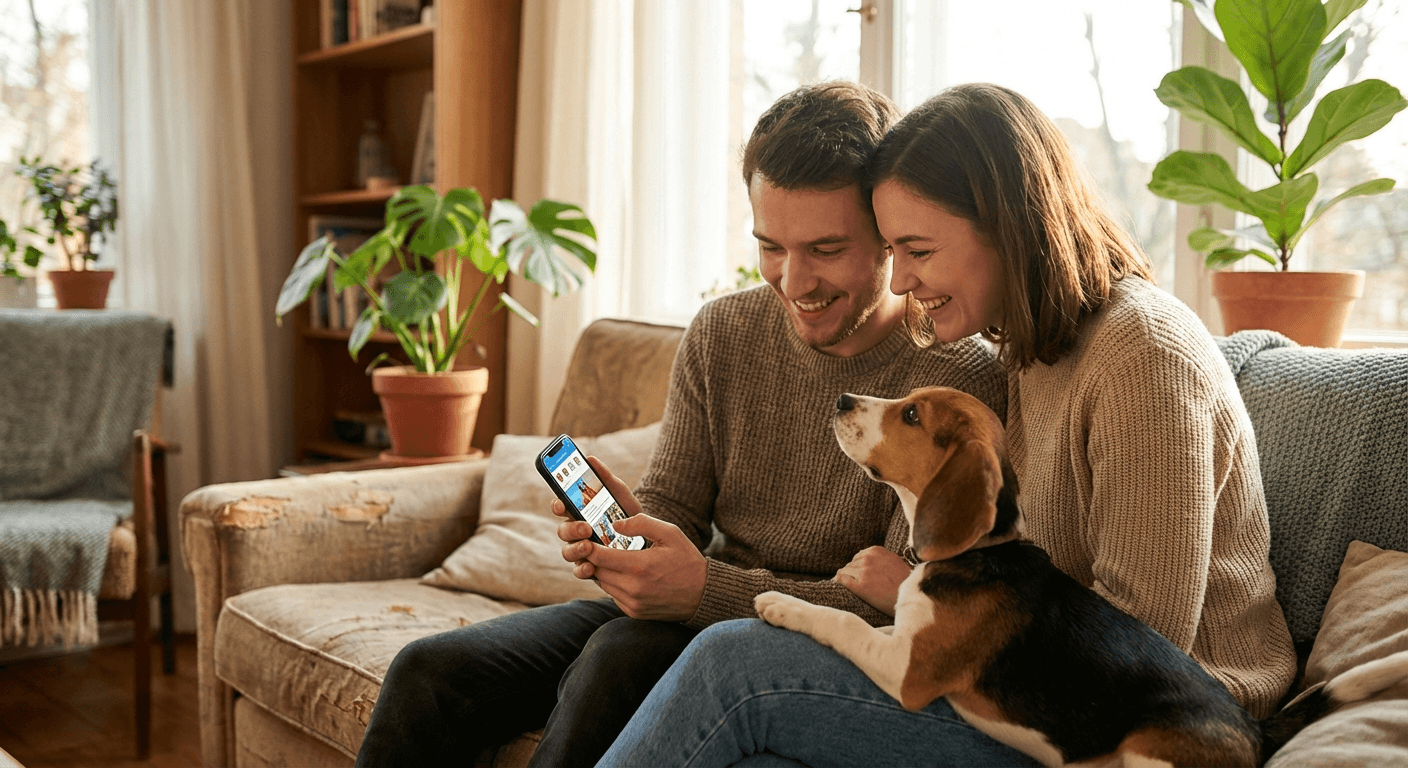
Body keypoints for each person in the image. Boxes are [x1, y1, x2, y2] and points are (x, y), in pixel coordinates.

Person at [597, 82, 1298, 768]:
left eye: (918, 251)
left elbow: (1137, 640)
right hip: (1034, 689)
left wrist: (910, 602)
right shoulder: (1036, 346)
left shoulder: (1143, 359)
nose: (899, 281)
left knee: (734, 664)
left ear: (1011, 228)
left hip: (1161, 726)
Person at [353, 81, 1008, 768]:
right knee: (427, 672)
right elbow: (677, 509)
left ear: (887, 236)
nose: (793, 281)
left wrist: (701, 589)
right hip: (693, 604)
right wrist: (634, 534)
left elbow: (897, 607)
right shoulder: (723, 331)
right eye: (771, 246)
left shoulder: (949, 388)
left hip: (795, 646)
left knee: (615, 657)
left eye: (825, 249)